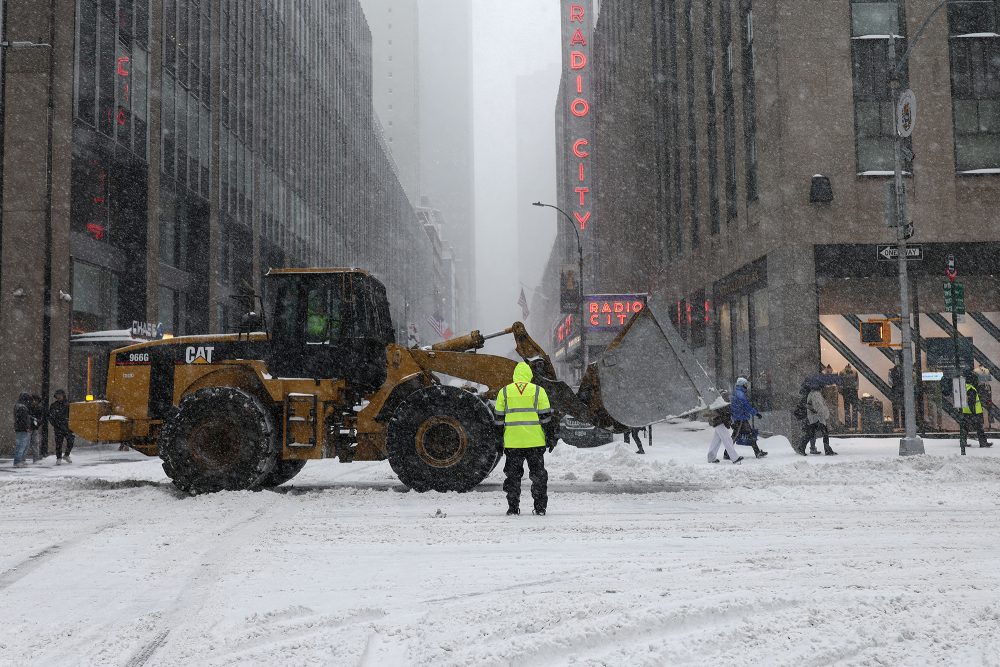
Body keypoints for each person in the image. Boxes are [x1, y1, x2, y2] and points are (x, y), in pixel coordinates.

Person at [494, 361, 554, 516]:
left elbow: (498, 421)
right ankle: (540, 508)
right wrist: (550, 437)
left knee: (513, 477)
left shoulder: (504, 392)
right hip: (535, 442)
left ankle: (513, 508)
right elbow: (546, 419)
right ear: (529, 375)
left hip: (513, 444)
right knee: (538, 476)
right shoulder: (538, 391)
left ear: (515, 375)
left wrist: (499, 440)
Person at [730, 377, 767, 458]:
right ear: (742, 385)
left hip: (740, 417)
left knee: (748, 434)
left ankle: (757, 452)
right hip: (740, 418)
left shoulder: (738, 392)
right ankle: (727, 453)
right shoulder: (740, 394)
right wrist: (756, 413)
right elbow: (746, 406)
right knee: (735, 436)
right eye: (746, 384)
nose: (747, 386)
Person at [800, 385, 837, 455]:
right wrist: (824, 413)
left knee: (811, 433)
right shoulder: (816, 394)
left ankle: (802, 447)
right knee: (824, 433)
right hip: (817, 417)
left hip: (814, 417)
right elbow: (818, 406)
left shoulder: (812, 393)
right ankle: (827, 450)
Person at [963, 374, 993, 448]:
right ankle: (983, 443)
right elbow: (971, 402)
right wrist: (974, 413)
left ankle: (963, 442)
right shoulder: (971, 388)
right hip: (974, 412)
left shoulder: (965, 387)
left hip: (966, 412)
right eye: (976, 380)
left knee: (965, 428)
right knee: (980, 429)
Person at [48, 389, 75, 464]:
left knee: (71, 441)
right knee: (58, 443)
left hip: (68, 427)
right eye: (57, 395)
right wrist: (55, 424)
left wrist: (70, 423)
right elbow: (50, 416)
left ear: (63, 395)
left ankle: (66, 455)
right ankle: (58, 458)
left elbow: (73, 414)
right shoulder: (53, 405)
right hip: (58, 427)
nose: (58, 397)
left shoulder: (68, 404)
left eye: (60, 395)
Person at [13, 393, 32, 468]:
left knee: (21, 445)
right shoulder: (22, 407)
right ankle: (18, 461)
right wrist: (26, 427)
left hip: (19, 428)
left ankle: (20, 460)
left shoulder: (18, 406)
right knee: (22, 445)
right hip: (22, 429)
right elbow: (23, 419)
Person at [840, 364, 860, 432]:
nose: (848, 369)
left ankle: (854, 424)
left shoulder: (855, 372)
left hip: (853, 391)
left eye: (849, 368)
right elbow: (840, 382)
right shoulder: (842, 372)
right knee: (847, 408)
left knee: (855, 408)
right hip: (846, 391)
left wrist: (856, 388)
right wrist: (841, 390)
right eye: (847, 368)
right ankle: (848, 424)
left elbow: (857, 380)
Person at [888, 359, 904, 430]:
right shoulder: (891, 371)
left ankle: (903, 425)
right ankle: (897, 425)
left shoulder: (905, 370)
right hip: (895, 391)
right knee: (895, 409)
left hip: (902, 391)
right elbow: (890, 382)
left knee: (903, 408)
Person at [29, 394, 44, 463]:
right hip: (28, 428)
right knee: (25, 444)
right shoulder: (28, 407)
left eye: (36, 400)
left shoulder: (39, 408)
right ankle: (22, 459)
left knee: (35, 444)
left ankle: (36, 459)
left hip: (35, 428)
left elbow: (40, 419)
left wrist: (37, 424)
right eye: (33, 400)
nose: (34, 402)